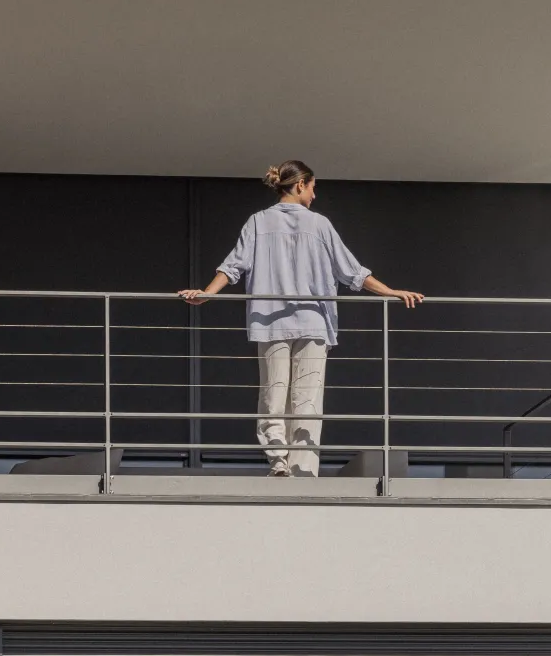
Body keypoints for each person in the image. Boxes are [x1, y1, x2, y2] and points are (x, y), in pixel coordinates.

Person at [179, 162, 423, 477]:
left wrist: (206, 293)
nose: (314, 195)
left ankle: (279, 461)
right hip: (313, 321)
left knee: (273, 394)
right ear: (300, 184)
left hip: (270, 322)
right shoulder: (320, 225)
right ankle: (303, 469)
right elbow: (352, 272)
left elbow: (232, 266)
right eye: (313, 187)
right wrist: (390, 292)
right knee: (307, 399)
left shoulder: (258, 222)